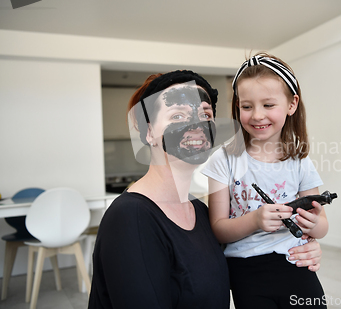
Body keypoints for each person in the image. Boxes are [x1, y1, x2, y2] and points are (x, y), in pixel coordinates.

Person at [88, 70, 323, 309]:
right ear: (149, 132)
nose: (196, 125)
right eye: (178, 115)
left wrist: (303, 248)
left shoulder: (200, 213)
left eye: (205, 114)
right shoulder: (130, 217)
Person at [202, 53, 329, 309]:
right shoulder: (223, 160)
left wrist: (314, 224)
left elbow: (322, 227)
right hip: (246, 270)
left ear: (292, 104)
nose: (257, 115)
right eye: (247, 106)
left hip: (296, 263)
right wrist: (255, 220)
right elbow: (217, 228)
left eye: (268, 105)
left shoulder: (300, 161)